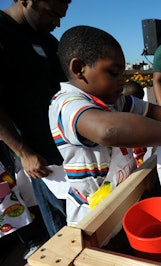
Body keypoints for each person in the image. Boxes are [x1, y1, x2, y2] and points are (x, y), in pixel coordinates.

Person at [50, 25, 161, 224]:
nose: (122, 81)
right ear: (79, 69)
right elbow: (107, 130)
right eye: (113, 73)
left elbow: (153, 111)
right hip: (92, 214)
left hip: (124, 196)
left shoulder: (115, 101)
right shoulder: (67, 105)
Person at [0, 0, 71, 240]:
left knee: (77, 214)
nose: (57, 22)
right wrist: (23, 151)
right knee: (62, 227)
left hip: (64, 145)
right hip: (37, 154)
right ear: (25, 1)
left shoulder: (48, 40)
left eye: (61, 16)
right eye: (52, 13)